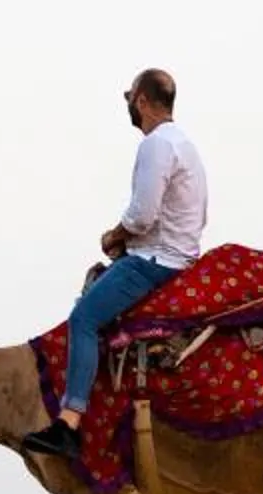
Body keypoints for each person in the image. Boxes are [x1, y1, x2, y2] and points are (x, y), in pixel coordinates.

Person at [22, 68, 208, 460]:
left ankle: (69, 423)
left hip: (155, 262)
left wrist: (114, 236)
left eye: (129, 96)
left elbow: (142, 215)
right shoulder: (185, 144)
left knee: (83, 319)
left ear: (141, 100)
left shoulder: (156, 145)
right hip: (176, 254)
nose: (127, 103)